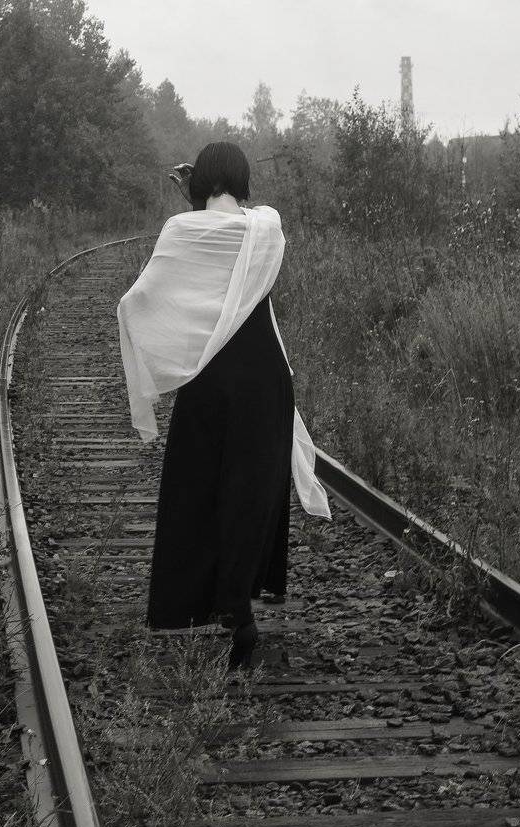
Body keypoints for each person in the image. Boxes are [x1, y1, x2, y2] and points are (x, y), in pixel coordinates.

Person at [116, 141, 331, 670]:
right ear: (243, 182)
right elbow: (236, 232)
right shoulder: (267, 230)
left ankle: (210, 604)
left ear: (199, 184)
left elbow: (142, 299)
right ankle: (240, 610)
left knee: (201, 488)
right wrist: (206, 193)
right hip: (266, 380)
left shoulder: (181, 231)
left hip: (211, 380)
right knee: (250, 494)